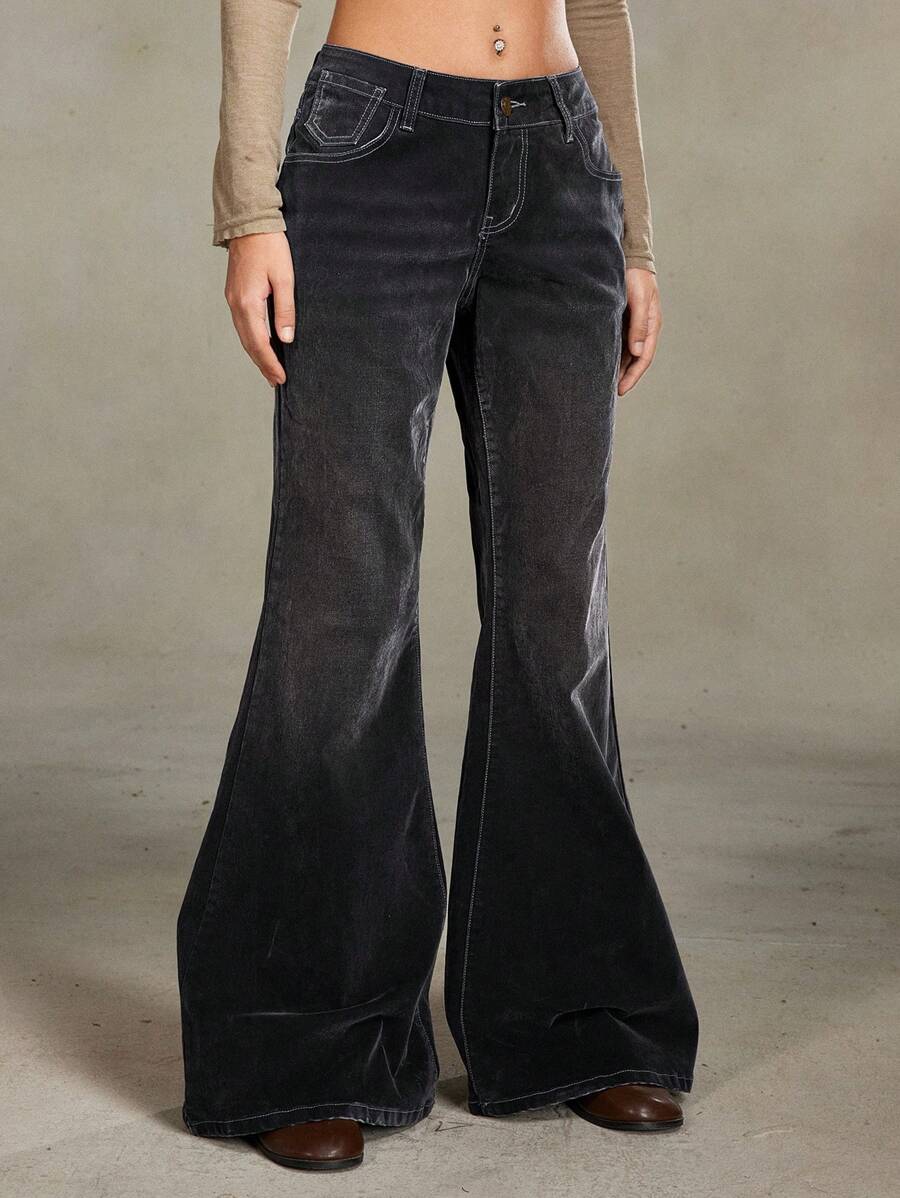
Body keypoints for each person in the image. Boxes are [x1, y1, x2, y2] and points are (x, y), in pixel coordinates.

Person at [177, 0, 698, 1171]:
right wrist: (251, 209)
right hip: (376, 146)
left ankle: (573, 1016)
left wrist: (634, 233)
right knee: (343, 603)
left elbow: (597, 4)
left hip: (562, 158)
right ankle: (306, 1041)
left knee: (558, 616)